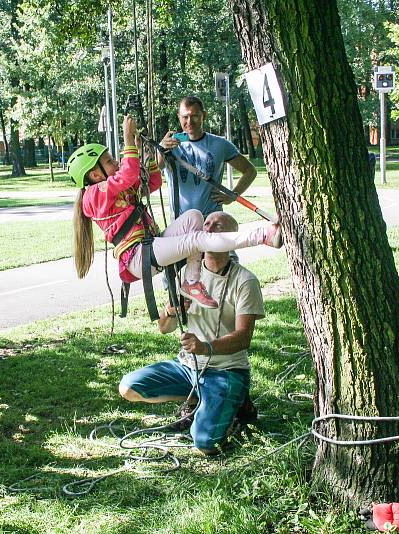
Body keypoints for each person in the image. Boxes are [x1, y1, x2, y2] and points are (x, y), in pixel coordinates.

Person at [70, 115, 279, 309]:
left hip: (150, 245)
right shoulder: (94, 195)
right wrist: (128, 141)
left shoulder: (114, 190)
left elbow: (152, 182)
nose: (115, 162)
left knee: (194, 217)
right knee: (196, 240)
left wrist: (149, 151)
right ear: (95, 174)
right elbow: (127, 175)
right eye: (109, 161)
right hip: (137, 256)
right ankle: (262, 236)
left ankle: (191, 282)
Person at [118, 211, 264, 455]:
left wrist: (205, 347)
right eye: (206, 223)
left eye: (219, 226)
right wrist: (171, 311)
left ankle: (237, 403)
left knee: (205, 444)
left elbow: (244, 337)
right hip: (186, 366)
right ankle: (197, 399)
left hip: (226, 371)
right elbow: (164, 328)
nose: (209, 228)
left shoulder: (245, 281)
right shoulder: (187, 274)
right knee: (128, 388)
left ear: (231, 239)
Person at [159, 95, 258, 218]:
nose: (189, 121)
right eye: (185, 117)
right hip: (180, 221)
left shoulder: (220, 144)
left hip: (212, 220)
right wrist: (161, 150)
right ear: (179, 117)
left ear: (204, 116)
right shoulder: (169, 145)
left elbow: (250, 171)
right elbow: (153, 171)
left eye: (194, 116)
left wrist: (233, 195)